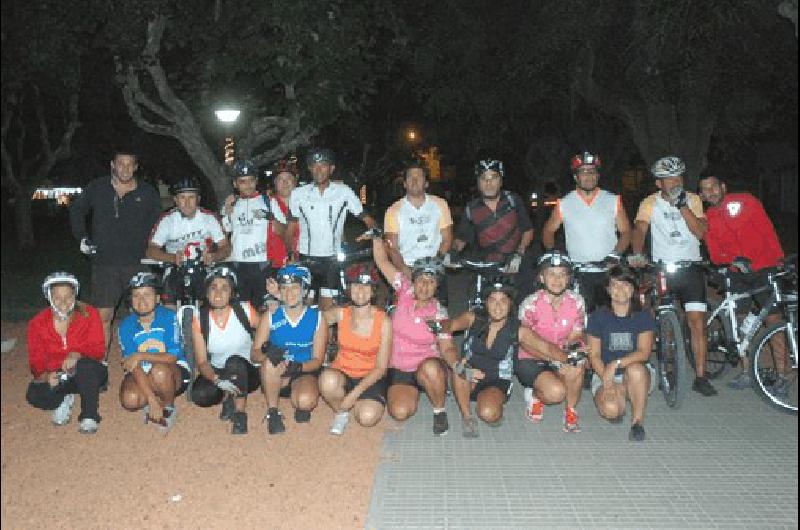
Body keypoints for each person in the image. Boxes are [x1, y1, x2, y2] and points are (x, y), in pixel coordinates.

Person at [629, 156, 717, 397]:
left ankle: (701, 376)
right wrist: (637, 254)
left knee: (697, 322)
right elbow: (639, 229)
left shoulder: (694, 200)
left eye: (678, 177)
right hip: (663, 268)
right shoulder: (649, 202)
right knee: (662, 319)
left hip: (691, 268)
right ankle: (665, 367)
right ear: (659, 183)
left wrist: (682, 206)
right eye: (669, 179)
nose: (675, 182)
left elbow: (700, 233)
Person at [69, 147, 162, 349]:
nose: (125, 168)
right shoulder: (97, 187)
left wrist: (158, 250)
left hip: (138, 263)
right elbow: (77, 210)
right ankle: (101, 366)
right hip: (105, 264)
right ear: (113, 165)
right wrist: (82, 238)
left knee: (143, 314)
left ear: (136, 167)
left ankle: (143, 359)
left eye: (130, 164)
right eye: (121, 163)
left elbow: (159, 225)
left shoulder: (147, 192)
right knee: (103, 315)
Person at [446, 276, 562, 438]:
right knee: (459, 369)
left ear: (510, 304)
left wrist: (568, 356)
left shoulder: (517, 329)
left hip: (496, 380)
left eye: (503, 301)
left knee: (488, 413)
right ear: (486, 303)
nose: (498, 306)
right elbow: (450, 325)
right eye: (493, 300)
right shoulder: (473, 318)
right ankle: (467, 417)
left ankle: (493, 402)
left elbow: (547, 347)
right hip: (468, 377)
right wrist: (436, 324)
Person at [699, 174, 786, 389]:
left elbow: (768, 230)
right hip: (736, 273)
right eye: (705, 189)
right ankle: (747, 371)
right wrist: (731, 261)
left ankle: (783, 376)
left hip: (764, 267)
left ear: (723, 186)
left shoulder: (745, 201)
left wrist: (779, 260)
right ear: (701, 195)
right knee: (740, 323)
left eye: (714, 186)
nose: (711, 192)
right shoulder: (709, 216)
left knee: (773, 320)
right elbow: (715, 253)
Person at [368, 231, 458, 436]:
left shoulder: (439, 312)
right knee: (399, 412)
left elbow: (448, 347)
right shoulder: (404, 290)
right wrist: (376, 238)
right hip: (399, 366)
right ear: (413, 280)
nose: (425, 286)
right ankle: (414, 390)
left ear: (437, 286)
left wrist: (456, 365)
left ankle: (439, 409)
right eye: (421, 279)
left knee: (432, 369)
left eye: (431, 281)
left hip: (426, 365)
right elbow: (382, 262)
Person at [285, 147, 377, 310]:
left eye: (323, 165)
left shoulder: (343, 192)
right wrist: (290, 254)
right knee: (304, 308)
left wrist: (374, 232)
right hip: (306, 257)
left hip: (332, 259)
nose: (319, 169)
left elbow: (367, 218)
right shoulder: (298, 194)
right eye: (314, 165)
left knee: (327, 309)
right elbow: (291, 228)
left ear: (331, 169)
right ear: (309, 168)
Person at [541, 151, 632, 311]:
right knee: (581, 318)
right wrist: (553, 253)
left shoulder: (612, 200)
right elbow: (548, 231)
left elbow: (626, 232)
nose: (588, 176)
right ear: (576, 177)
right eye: (583, 172)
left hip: (608, 270)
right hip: (579, 272)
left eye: (592, 171)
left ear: (598, 175)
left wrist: (615, 254)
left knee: (612, 316)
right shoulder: (564, 203)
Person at [26, 272, 107, 434]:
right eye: (57, 297)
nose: (63, 302)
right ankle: (63, 398)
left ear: (75, 295)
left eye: (69, 296)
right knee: (34, 394)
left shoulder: (89, 313)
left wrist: (77, 354)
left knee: (86, 366)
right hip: (59, 375)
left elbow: (98, 350)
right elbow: (36, 363)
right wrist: (47, 376)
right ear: (49, 297)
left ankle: (89, 415)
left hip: (87, 371)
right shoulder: (37, 324)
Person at [517, 252, 588, 433]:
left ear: (569, 278)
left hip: (562, 354)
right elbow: (525, 342)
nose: (557, 279)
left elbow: (577, 335)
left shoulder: (577, 302)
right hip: (533, 357)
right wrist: (555, 361)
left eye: (562, 274)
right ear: (542, 277)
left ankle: (571, 411)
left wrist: (574, 355)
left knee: (578, 364)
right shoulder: (530, 304)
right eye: (551, 274)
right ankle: (534, 395)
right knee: (555, 393)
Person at [252, 265, 327, 435]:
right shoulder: (271, 315)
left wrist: (297, 367)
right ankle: (273, 412)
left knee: (305, 401)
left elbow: (317, 360)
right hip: (277, 373)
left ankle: (299, 397)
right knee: (269, 364)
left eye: (295, 287)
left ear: (304, 290)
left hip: (303, 370)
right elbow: (254, 352)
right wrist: (268, 355)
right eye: (284, 288)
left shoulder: (317, 318)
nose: (289, 293)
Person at [586, 265, 656, 442]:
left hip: (637, 373)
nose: (620, 290)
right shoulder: (597, 317)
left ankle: (637, 422)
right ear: (608, 290)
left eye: (625, 284)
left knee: (636, 370)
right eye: (615, 285)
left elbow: (644, 352)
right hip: (604, 373)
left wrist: (615, 364)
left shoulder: (643, 315)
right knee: (611, 411)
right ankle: (623, 394)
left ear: (633, 288)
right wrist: (606, 380)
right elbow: (594, 355)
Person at [318, 267, 392, 435]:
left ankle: (354, 403)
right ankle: (342, 412)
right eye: (356, 285)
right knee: (327, 380)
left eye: (366, 286)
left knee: (367, 417)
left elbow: (381, 368)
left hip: (371, 376)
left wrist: (354, 394)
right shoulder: (340, 314)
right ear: (349, 289)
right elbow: (312, 320)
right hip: (342, 371)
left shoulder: (384, 321)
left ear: (373, 291)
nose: (360, 291)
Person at [188, 266, 261, 435]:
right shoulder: (200, 319)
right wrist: (216, 379)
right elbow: (202, 362)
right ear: (207, 293)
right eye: (213, 288)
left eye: (224, 288)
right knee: (200, 395)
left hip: (247, 370)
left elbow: (268, 329)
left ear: (232, 293)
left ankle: (240, 413)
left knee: (235, 363)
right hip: (220, 371)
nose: (218, 293)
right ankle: (228, 394)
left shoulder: (244, 310)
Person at [452, 158, 535, 302]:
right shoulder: (471, 209)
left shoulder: (513, 201)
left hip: (517, 264)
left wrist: (519, 253)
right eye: (483, 178)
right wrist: (452, 253)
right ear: (478, 182)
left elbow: (528, 230)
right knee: (483, 308)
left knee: (525, 309)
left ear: (501, 181)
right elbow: (461, 238)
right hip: (488, 266)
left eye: (493, 178)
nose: (488, 183)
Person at [118, 272, 191, 433]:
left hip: (172, 370)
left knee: (159, 371)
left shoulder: (169, 317)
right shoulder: (126, 325)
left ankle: (168, 406)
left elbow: (171, 356)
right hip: (143, 371)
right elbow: (132, 365)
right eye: (136, 295)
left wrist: (140, 355)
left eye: (147, 295)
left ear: (158, 298)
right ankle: (154, 397)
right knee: (129, 400)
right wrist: (151, 399)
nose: (141, 300)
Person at [147, 176, 231, 307]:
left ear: (198, 199)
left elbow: (226, 247)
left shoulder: (209, 218)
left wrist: (214, 256)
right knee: (169, 300)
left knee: (210, 299)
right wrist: (172, 257)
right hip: (175, 266)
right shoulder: (167, 220)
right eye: (182, 197)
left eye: (191, 197)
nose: (187, 202)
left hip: (203, 265)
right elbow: (151, 250)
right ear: (175, 200)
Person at [384, 160, 454, 305]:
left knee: (438, 318)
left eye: (419, 177)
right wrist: (405, 270)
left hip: (434, 266)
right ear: (404, 183)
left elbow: (447, 238)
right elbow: (392, 247)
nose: (414, 181)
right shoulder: (393, 210)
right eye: (410, 177)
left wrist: (434, 264)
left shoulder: (440, 204)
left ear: (426, 183)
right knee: (402, 317)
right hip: (407, 267)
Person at [221, 159, 287, 309]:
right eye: (242, 181)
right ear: (235, 184)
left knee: (264, 308)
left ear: (256, 181)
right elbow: (223, 235)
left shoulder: (268, 201)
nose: (248, 185)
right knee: (241, 309)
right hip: (238, 264)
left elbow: (283, 231)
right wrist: (226, 211)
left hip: (262, 264)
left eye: (251, 180)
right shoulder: (231, 203)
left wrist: (270, 218)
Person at [267, 158, 300, 268]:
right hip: (273, 266)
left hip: (302, 263)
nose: (285, 182)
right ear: (275, 183)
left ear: (295, 182)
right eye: (280, 179)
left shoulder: (306, 204)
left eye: (289, 178)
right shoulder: (265, 204)